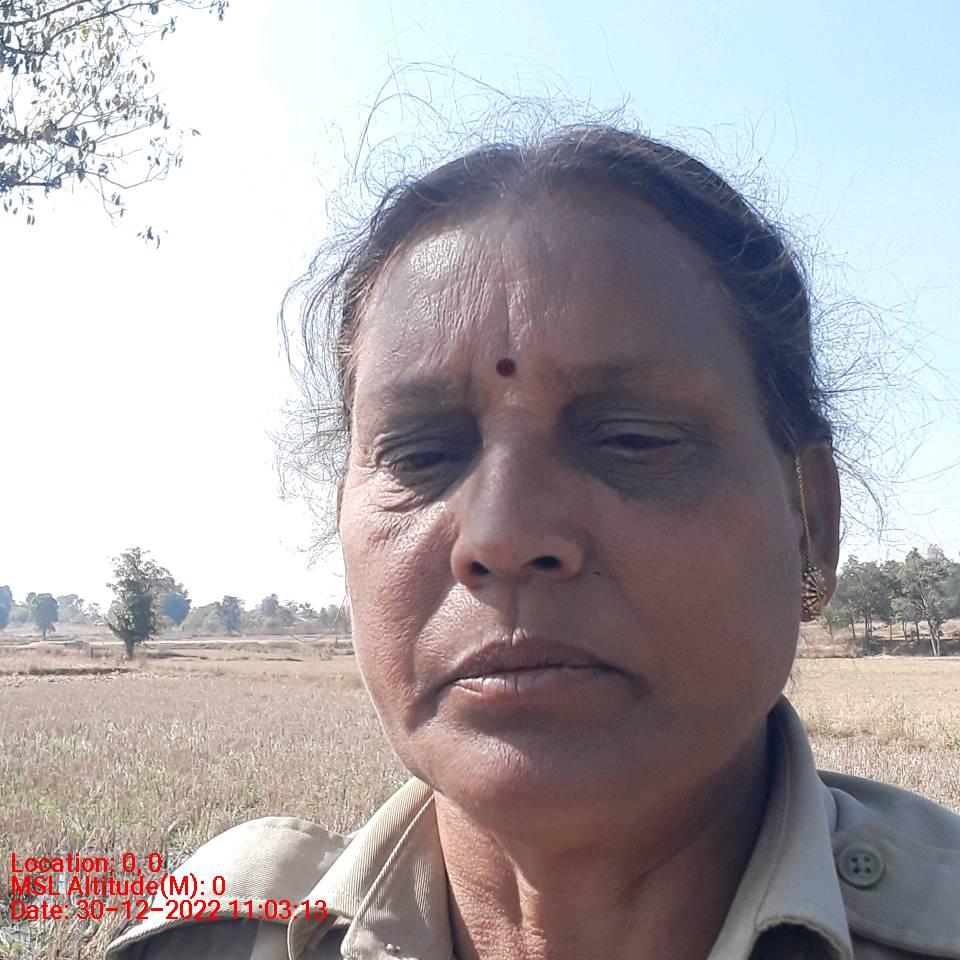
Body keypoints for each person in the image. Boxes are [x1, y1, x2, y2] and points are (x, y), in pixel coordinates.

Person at [106, 126, 960, 960]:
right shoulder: (214, 936)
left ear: (811, 520)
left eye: (632, 438)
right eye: (421, 455)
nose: (502, 537)